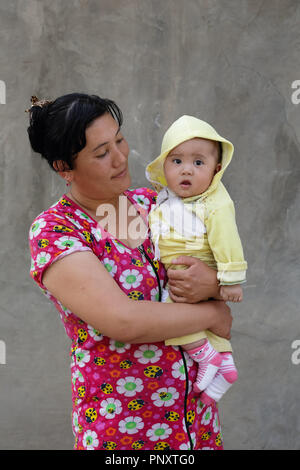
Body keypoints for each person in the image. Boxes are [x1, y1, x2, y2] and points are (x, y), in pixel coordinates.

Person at [27, 94, 232, 451]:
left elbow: (211, 266)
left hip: (195, 423)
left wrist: (214, 283)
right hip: (123, 428)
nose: (121, 158)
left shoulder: (157, 203)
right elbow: (124, 321)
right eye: (102, 152)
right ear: (65, 167)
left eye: (119, 139)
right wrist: (215, 312)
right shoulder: (57, 230)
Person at [145, 115, 247, 405]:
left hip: (192, 270)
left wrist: (230, 279)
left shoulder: (215, 203)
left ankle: (206, 356)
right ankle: (225, 365)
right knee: (192, 316)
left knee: (172, 312)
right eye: (176, 161)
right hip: (183, 274)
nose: (186, 170)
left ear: (216, 170)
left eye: (198, 163)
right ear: (164, 167)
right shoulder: (165, 198)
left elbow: (227, 240)